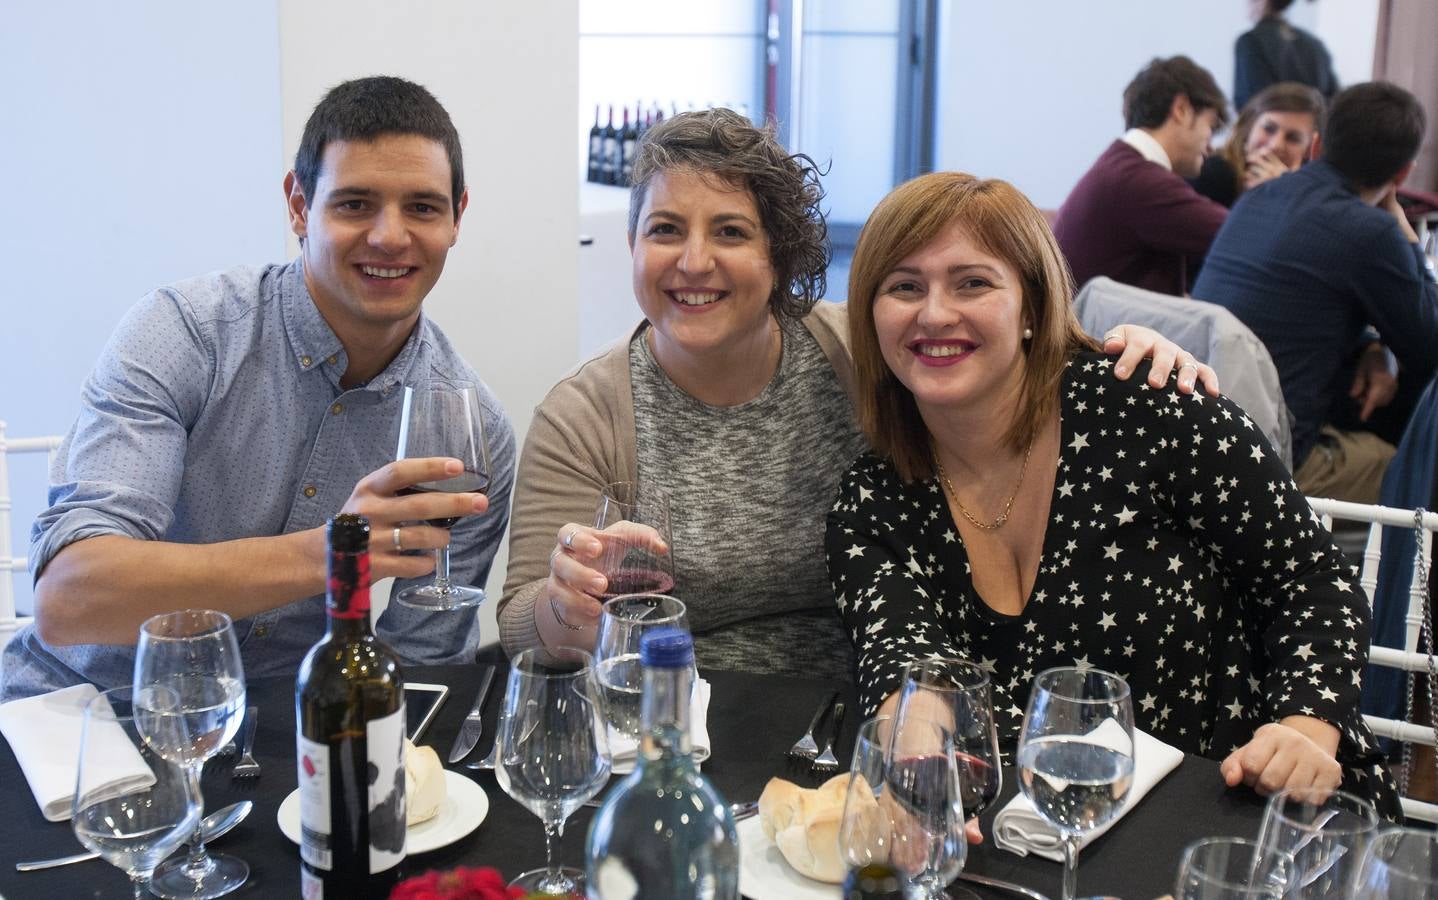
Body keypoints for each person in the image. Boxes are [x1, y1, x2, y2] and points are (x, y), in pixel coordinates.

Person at [497, 108, 1219, 682]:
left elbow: (992, 360)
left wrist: (1104, 348)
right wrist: (568, 608)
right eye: (664, 231)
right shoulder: (586, 414)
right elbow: (521, 627)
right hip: (678, 730)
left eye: (730, 231)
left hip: (875, 709)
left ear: (780, 259)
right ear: (632, 250)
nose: (693, 261)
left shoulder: (863, 354)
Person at [827, 170, 1399, 816]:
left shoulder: (1153, 412)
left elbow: (1310, 579)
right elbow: (908, 660)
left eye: (973, 283)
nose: (934, 313)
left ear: (1033, 309)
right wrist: (921, 757)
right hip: (1048, 835)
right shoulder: (874, 503)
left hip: (1252, 805)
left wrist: (1304, 725)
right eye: (903, 287)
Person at [1, 76, 516, 701]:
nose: (389, 235)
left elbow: (422, 669)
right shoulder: (186, 333)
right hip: (87, 711)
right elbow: (71, 597)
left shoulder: (472, 430)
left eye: (423, 207)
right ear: (299, 205)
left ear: (458, 217)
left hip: (282, 739)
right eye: (355, 204)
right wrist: (335, 552)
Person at [1195, 82, 1438, 504]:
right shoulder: (1374, 233)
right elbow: (1430, 345)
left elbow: (1301, 305)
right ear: (1402, 174)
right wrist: (1407, 235)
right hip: (1267, 463)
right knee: (1412, 462)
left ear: (1316, 145)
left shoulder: (1256, 198)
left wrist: (1370, 348)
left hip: (1196, 434)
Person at [1052, 56, 1230, 296]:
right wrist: (1271, 192)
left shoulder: (1119, 166)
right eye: (1210, 126)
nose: (1210, 147)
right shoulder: (1139, 181)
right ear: (1182, 110)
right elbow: (1244, 237)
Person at [1189, 82, 1324, 208]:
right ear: (1250, 125)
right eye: (1268, 129)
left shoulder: (1312, 195)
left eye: (1293, 138)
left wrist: (1288, 190)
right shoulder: (1214, 172)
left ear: (1310, 148)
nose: (1275, 145)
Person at [1235, 0, 1339, 110]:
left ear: (1263, 2)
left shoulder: (1251, 41)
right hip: (1313, 125)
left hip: (1275, 123)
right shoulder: (1315, 44)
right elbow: (1334, 99)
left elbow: (1251, 104)